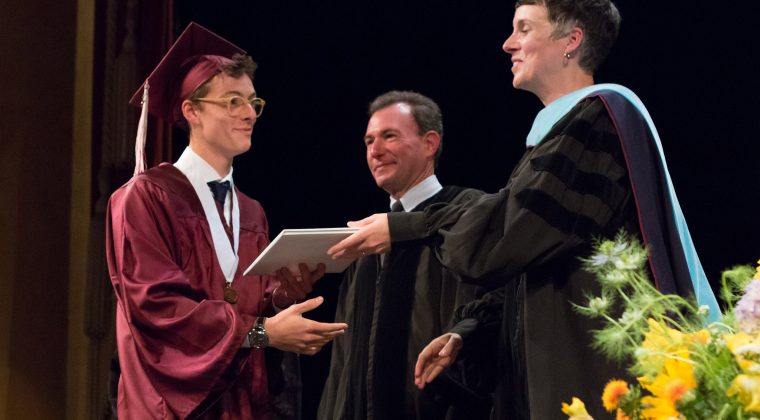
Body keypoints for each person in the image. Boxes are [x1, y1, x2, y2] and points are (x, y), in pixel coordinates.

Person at [327, 1, 720, 418]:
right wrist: (468, 333)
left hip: (596, 380)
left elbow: (504, 241)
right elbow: (534, 270)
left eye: (524, 29)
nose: (508, 43)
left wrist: (412, 226)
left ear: (571, 40)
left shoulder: (598, 119)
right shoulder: (557, 136)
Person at [106, 22, 347, 419]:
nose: (249, 113)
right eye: (232, 101)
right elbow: (156, 306)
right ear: (192, 111)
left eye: (253, 102)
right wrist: (263, 332)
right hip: (171, 406)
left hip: (240, 404)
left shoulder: (250, 210)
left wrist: (281, 296)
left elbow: (244, 295)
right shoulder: (144, 197)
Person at [318, 91, 492, 420]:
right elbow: (342, 364)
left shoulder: (467, 214)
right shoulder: (366, 241)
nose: (376, 151)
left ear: (430, 143)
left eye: (389, 136)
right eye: (369, 141)